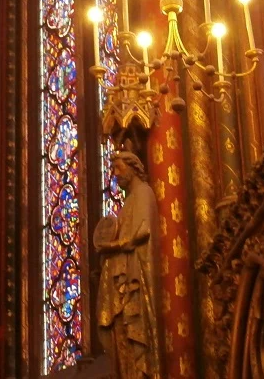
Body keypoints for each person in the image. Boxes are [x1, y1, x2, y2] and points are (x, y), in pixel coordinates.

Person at [93, 151, 161, 378]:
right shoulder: (129, 200)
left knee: (136, 331)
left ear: (132, 167)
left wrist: (112, 247)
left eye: (118, 168)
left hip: (137, 274)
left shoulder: (143, 192)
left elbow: (141, 234)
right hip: (124, 273)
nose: (115, 174)